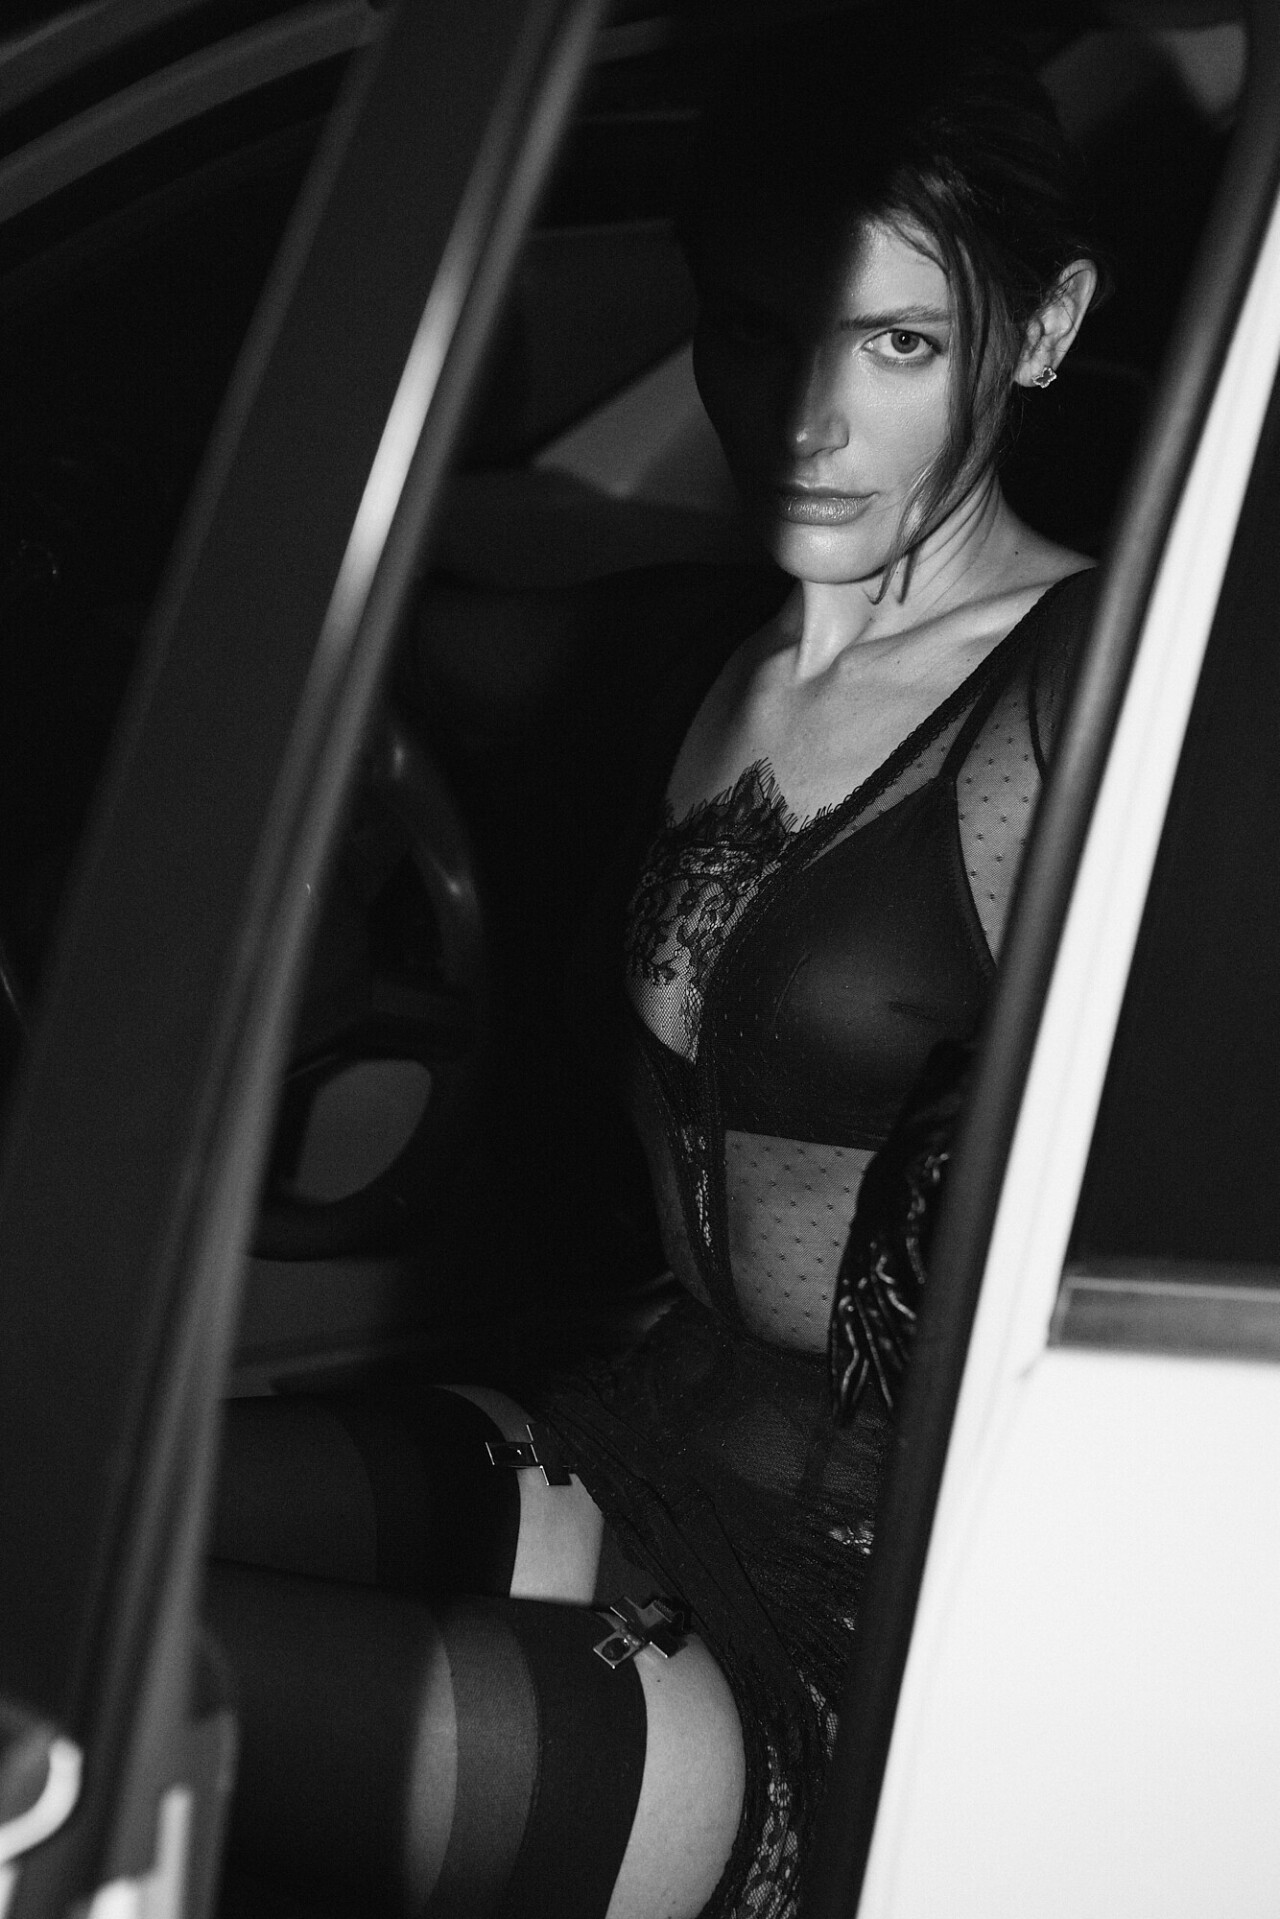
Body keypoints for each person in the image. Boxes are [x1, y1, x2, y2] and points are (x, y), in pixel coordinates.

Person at [208, 19, 1105, 1919]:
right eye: (756, 331)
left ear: (1043, 330)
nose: (806, 422)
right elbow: (376, 612)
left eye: (898, 344)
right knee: (75, 1507)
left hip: (864, 1615)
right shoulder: (704, 648)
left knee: (130, 1683)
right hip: (637, 1439)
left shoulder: (1089, 700)